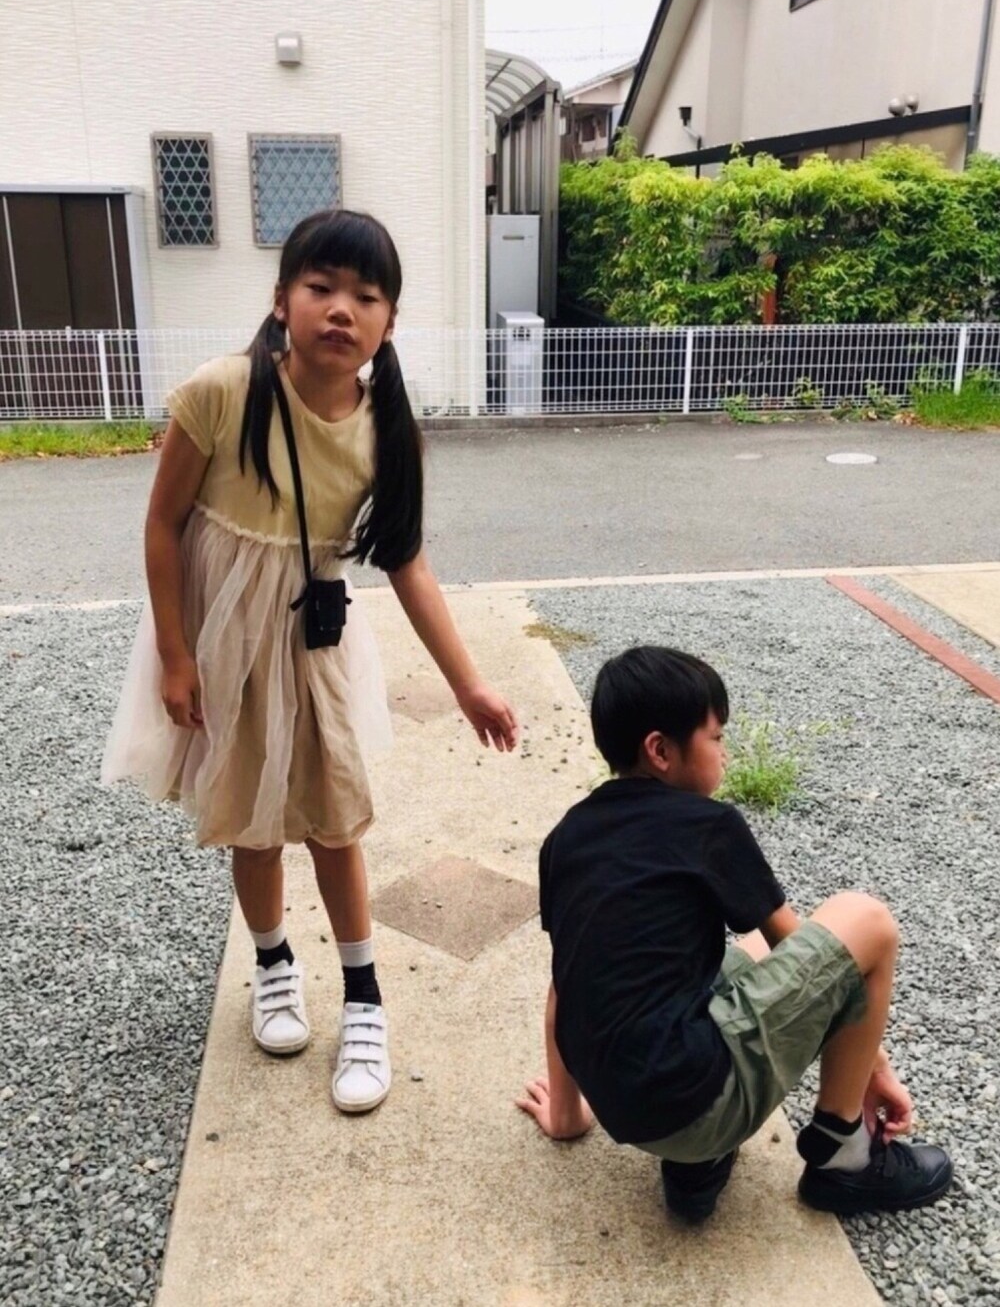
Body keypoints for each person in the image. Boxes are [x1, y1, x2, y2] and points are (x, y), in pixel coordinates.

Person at [103, 208, 517, 1115]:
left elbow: (406, 563)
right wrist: (175, 654)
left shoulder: (386, 430)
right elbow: (163, 525)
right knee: (253, 820)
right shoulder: (221, 392)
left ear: (390, 322)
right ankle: (273, 964)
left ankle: (364, 998)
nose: (340, 309)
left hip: (312, 638)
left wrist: (470, 684)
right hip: (221, 639)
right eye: (320, 287)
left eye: (366, 296)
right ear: (281, 298)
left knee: (335, 818)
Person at [517, 646, 951, 1221]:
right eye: (716, 737)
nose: (725, 752)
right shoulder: (708, 825)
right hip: (693, 1102)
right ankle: (845, 1158)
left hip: (624, 1107)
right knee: (866, 920)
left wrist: (568, 1117)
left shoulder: (566, 838)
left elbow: (565, 986)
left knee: (743, 954)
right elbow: (803, 950)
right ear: (660, 750)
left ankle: (700, 1162)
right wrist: (877, 1068)